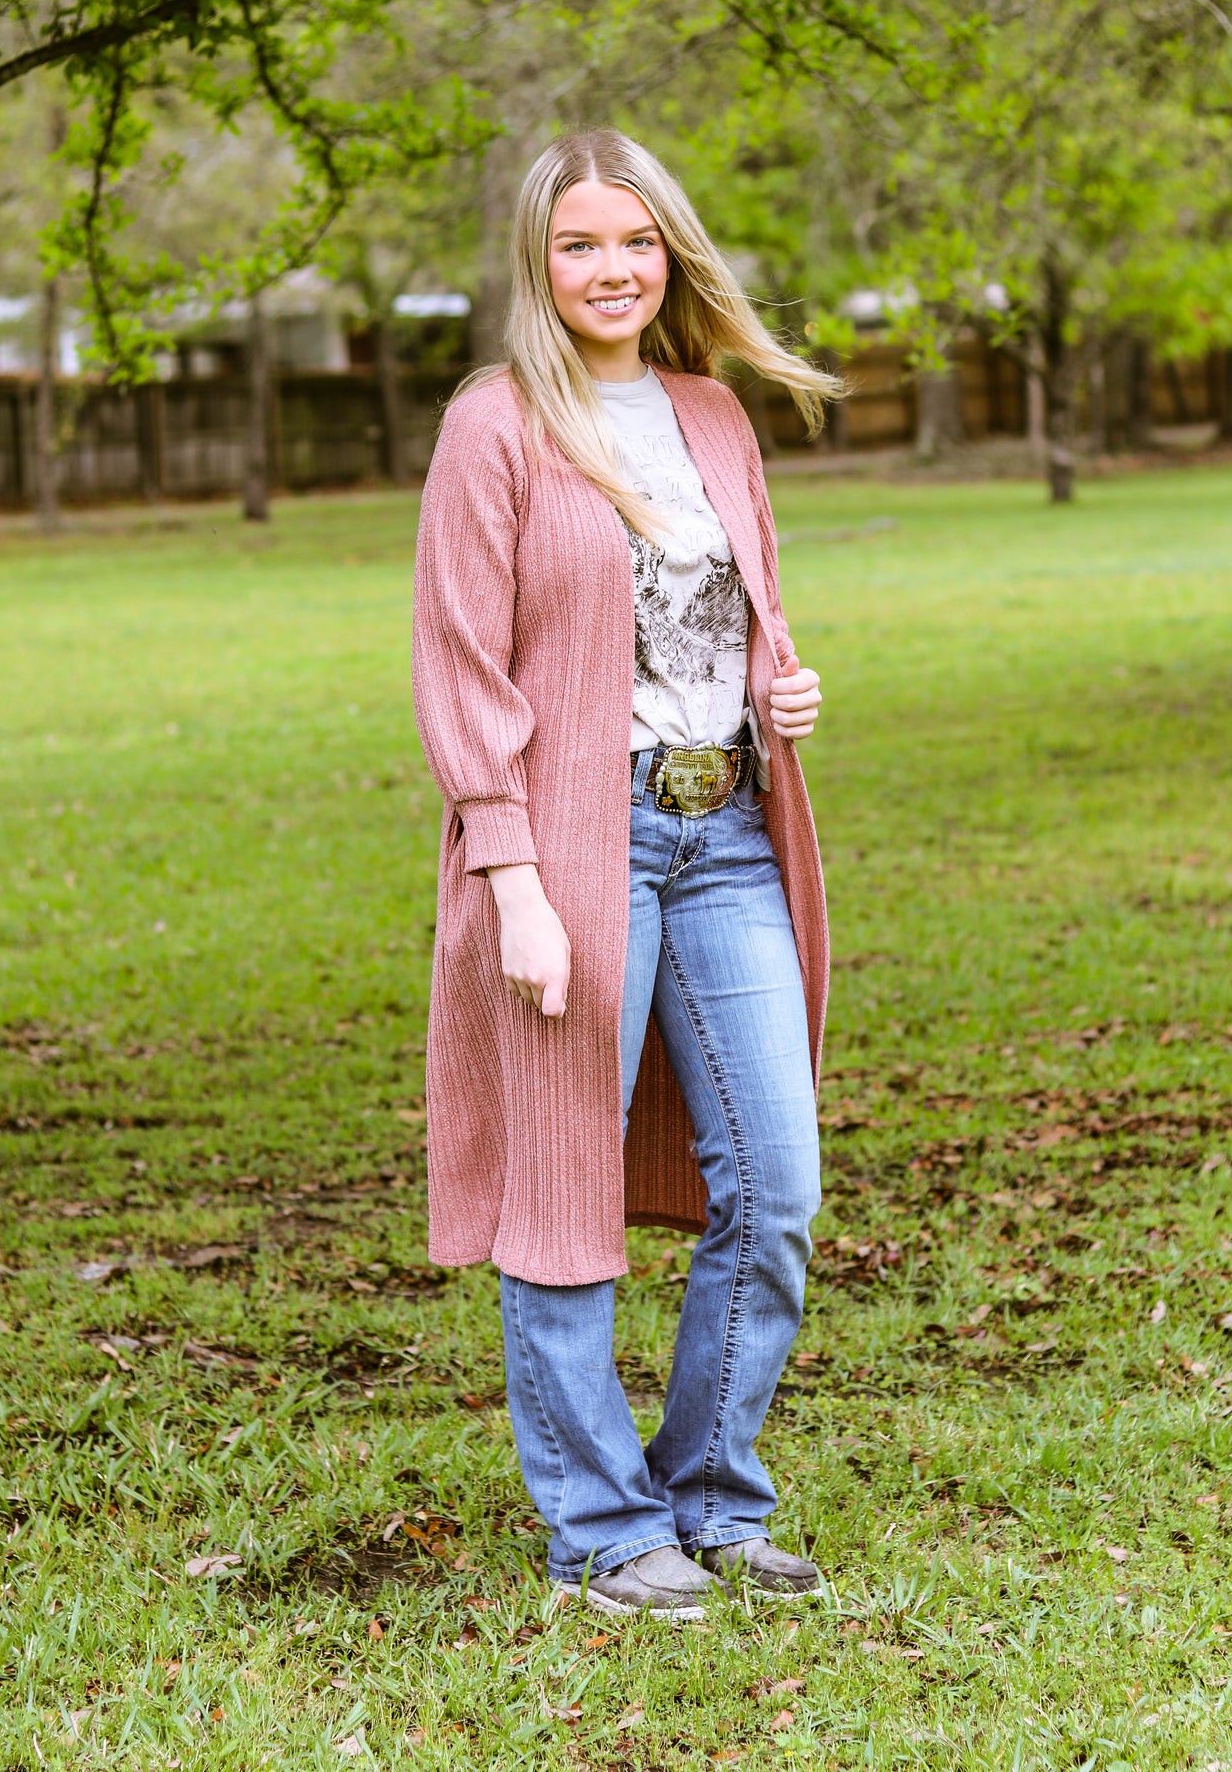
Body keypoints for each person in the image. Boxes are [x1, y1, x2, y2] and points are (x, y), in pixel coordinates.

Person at [412, 129, 836, 1620]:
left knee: (775, 1187)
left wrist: (780, 690)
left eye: (638, 242)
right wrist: (512, 879)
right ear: (538, 259)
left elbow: (736, 613)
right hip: (570, 844)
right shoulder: (497, 423)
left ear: (673, 255)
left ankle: (709, 1496)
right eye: (581, 244)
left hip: (725, 836)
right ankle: (602, 1532)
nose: (612, 269)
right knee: (562, 1188)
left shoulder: (712, 416)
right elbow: (462, 667)